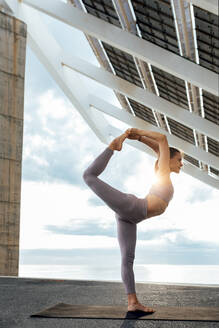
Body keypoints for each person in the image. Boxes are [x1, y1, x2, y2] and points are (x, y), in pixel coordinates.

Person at [83, 128, 184, 313]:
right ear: (168, 161)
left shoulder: (163, 170)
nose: (181, 164)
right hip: (131, 207)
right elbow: (162, 140)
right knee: (88, 176)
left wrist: (140, 139)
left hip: (130, 218)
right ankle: (111, 148)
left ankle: (133, 303)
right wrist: (136, 132)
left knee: (127, 259)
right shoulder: (163, 172)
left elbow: (159, 149)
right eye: (179, 159)